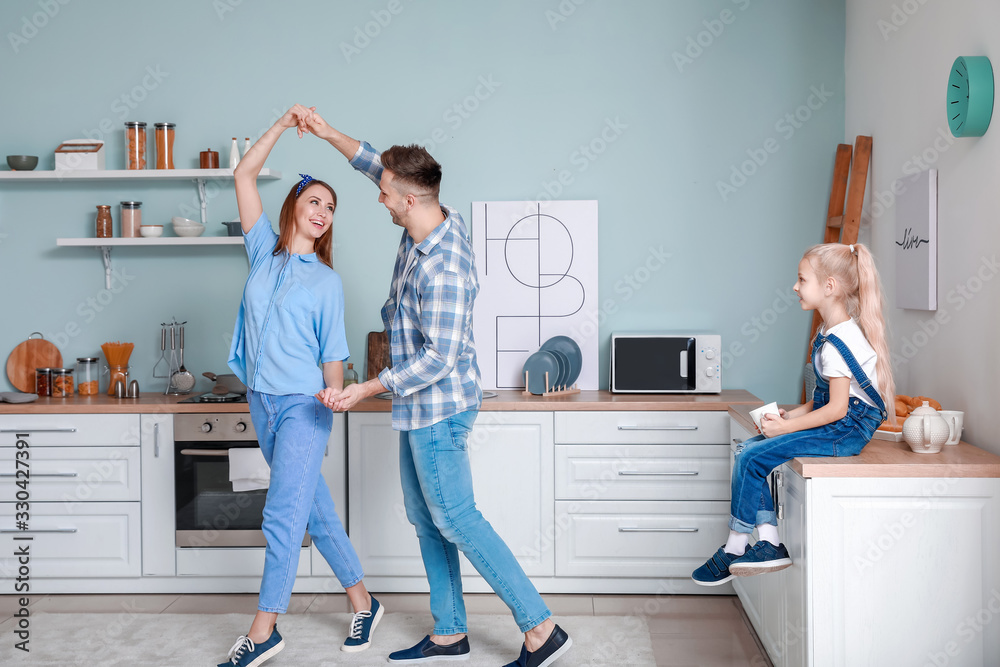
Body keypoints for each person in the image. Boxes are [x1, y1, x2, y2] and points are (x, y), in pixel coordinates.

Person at [298, 108, 573, 667]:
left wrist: (366, 388)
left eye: (387, 196)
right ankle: (450, 632)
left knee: (455, 517)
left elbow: (440, 359)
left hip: (439, 407)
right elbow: (378, 165)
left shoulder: (443, 265)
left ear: (411, 200)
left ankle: (540, 626)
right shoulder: (427, 214)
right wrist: (327, 133)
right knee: (427, 519)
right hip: (417, 407)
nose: (380, 199)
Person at [218, 105, 382, 667]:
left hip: (306, 408)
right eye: (316, 200)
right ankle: (364, 600)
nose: (324, 212)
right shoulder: (262, 253)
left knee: (282, 516)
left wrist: (337, 398)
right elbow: (242, 176)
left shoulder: (327, 282)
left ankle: (264, 631)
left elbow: (332, 354)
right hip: (261, 403)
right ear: (293, 206)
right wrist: (284, 126)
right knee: (314, 512)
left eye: (332, 208)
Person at [692, 242, 896, 586]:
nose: (795, 286)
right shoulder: (830, 332)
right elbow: (823, 400)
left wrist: (787, 430)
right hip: (840, 423)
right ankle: (768, 541)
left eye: (802, 279)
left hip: (846, 431)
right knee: (748, 452)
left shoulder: (837, 343)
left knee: (753, 455)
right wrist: (791, 418)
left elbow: (838, 409)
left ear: (828, 287)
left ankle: (737, 547)